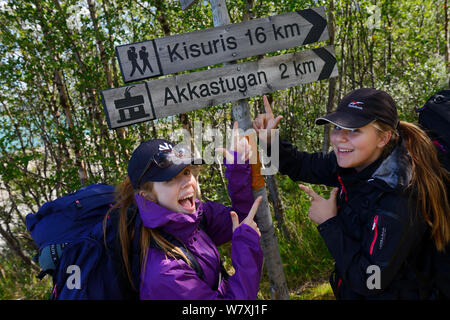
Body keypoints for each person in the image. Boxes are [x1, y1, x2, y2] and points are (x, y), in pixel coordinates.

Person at [253, 89, 450, 299]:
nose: (339, 139)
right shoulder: (354, 162)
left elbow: (370, 280)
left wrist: (328, 223)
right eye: (338, 127)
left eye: (354, 130)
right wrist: (269, 141)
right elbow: (300, 165)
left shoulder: (399, 200)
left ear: (383, 138)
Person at [111, 123, 263, 300]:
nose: (187, 182)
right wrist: (245, 250)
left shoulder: (194, 218)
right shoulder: (166, 274)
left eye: (186, 172)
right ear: (148, 195)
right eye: (170, 179)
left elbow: (241, 221)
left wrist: (237, 168)